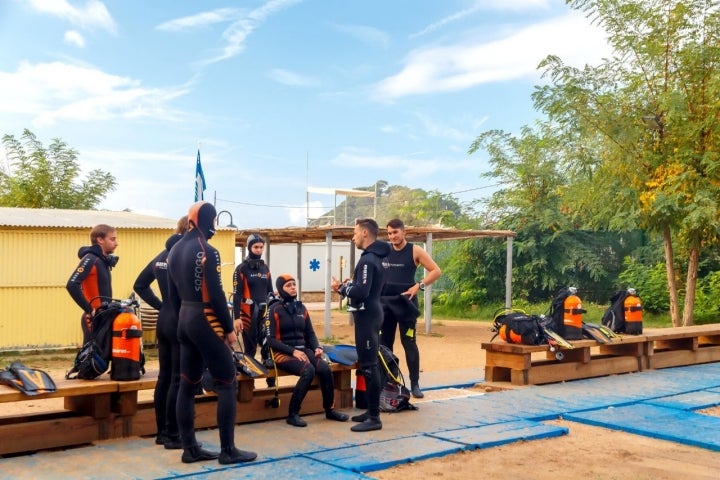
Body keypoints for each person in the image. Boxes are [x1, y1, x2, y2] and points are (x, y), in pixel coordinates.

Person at [166, 201, 257, 465]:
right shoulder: (209, 250)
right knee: (227, 380)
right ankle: (228, 450)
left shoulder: (174, 250)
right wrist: (229, 329)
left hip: (184, 317)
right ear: (208, 220)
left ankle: (189, 448)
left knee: (187, 382)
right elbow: (216, 295)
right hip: (205, 319)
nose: (216, 226)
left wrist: (183, 317)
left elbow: (172, 295)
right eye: (215, 221)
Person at [133, 215, 188, 449]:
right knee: (177, 378)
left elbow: (139, 285)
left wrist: (161, 305)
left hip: (163, 319)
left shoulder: (161, 256)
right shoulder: (184, 255)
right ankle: (172, 434)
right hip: (179, 318)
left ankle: (161, 433)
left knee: (164, 377)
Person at [266, 274, 350, 427]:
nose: (292, 287)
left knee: (325, 369)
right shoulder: (274, 310)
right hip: (282, 354)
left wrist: (317, 347)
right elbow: (271, 341)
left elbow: (310, 333)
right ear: (280, 289)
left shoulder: (301, 308)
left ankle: (329, 410)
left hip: (303, 351)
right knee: (308, 370)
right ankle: (293, 413)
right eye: (288, 285)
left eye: (293, 284)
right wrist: (293, 352)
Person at [332, 217, 390, 432]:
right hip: (373, 312)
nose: (353, 236)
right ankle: (371, 410)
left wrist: (341, 288)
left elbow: (361, 291)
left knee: (368, 365)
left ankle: (374, 417)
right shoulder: (378, 257)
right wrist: (352, 285)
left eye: (356, 232)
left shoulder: (368, 260)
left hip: (368, 316)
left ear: (365, 233)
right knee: (371, 362)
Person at [381, 218, 442, 399]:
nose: (392, 236)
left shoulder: (414, 250)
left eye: (395, 232)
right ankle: (389, 382)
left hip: (406, 304)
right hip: (386, 305)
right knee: (385, 345)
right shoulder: (384, 251)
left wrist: (419, 286)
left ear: (403, 232)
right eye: (389, 233)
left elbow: (436, 271)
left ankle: (415, 383)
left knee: (409, 343)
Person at [232, 233, 274, 385]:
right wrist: (236, 318)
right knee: (249, 350)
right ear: (249, 247)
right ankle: (248, 386)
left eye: (261, 247)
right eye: (256, 247)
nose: (259, 250)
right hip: (247, 314)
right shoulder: (241, 269)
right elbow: (236, 295)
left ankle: (271, 384)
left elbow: (270, 292)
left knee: (268, 348)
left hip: (264, 313)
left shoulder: (265, 268)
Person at [66, 224, 119, 343]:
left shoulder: (102, 260)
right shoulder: (91, 259)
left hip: (104, 317)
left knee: (102, 360)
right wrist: (89, 309)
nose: (116, 243)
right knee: (92, 360)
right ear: (100, 240)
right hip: (94, 319)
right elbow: (72, 284)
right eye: (112, 239)